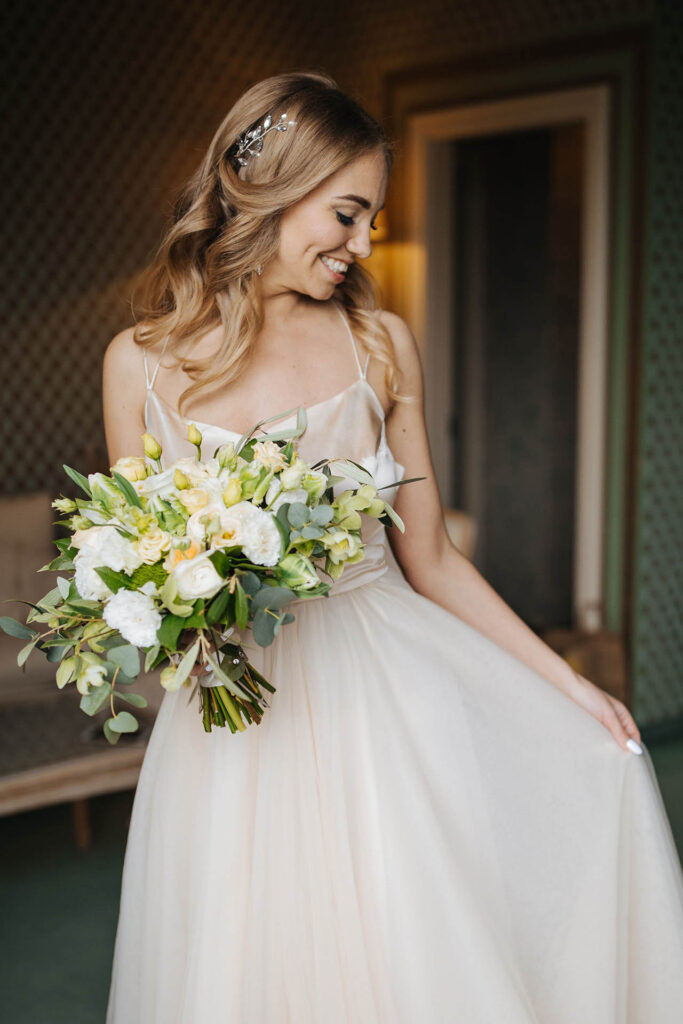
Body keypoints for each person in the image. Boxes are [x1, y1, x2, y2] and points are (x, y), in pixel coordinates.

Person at [103, 71, 683, 1023]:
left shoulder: (379, 344)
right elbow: (134, 569)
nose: (363, 244)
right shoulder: (141, 362)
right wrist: (174, 603)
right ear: (273, 193)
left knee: (411, 951)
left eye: (372, 217)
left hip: (385, 698)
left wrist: (569, 687)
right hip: (233, 725)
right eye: (348, 213)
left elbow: (434, 559)